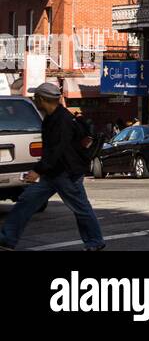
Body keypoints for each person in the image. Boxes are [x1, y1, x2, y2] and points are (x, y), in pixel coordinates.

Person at [0, 82, 105, 251]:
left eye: (36, 97)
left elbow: (57, 151)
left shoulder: (62, 120)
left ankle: (95, 242)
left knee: (81, 209)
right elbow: (52, 152)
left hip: (67, 174)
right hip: (52, 173)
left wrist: (37, 170)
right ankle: (7, 239)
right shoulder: (51, 118)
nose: (34, 100)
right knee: (26, 202)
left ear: (42, 99)